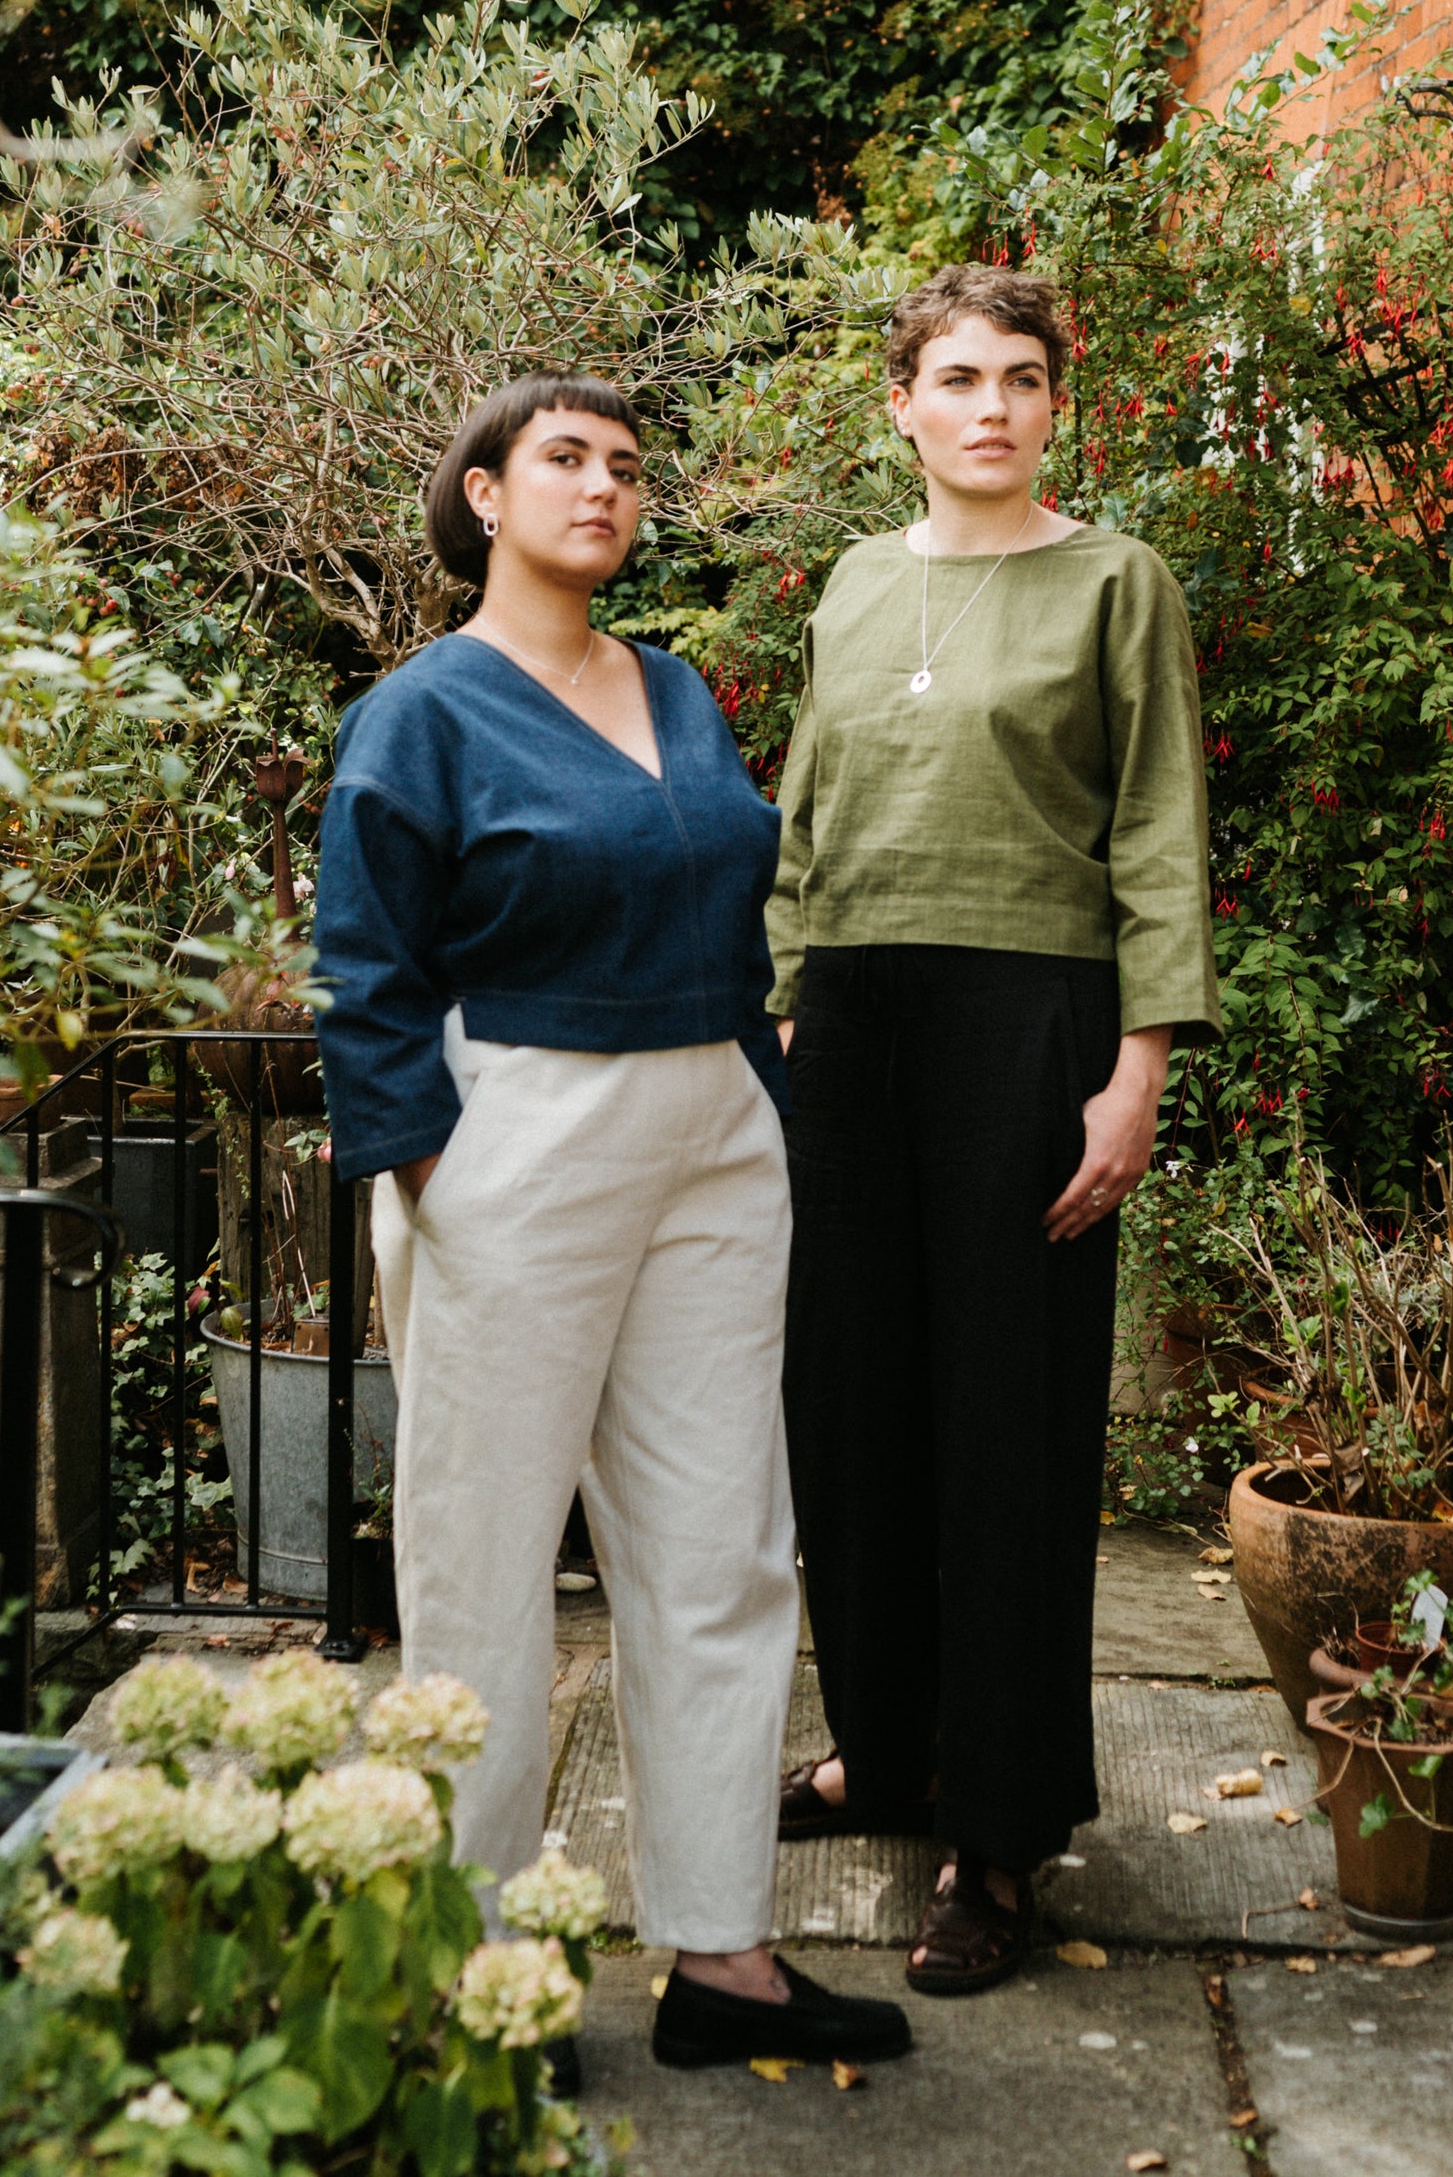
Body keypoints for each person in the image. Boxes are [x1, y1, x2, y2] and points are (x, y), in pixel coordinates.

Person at [314, 374, 911, 2079]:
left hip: (713, 1136)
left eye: (626, 466)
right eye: (562, 459)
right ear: (485, 496)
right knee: (484, 1562)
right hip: (525, 1133)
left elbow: (740, 892)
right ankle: (470, 1971)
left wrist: (759, 1090)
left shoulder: (674, 689)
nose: (602, 485)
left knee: (723, 1547)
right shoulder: (421, 713)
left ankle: (720, 1952)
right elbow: (364, 969)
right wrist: (435, 1170)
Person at [768, 266, 1220, 1995]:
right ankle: (880, 1753)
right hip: (853, 1029)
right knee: (852, 1400)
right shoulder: (854, 583)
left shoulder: (1116, 583)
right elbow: (806, 813)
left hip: (1032, 1028)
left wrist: (1135, 1064)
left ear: (1051, 405)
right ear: (900, 403)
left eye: (1020, 378)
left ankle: (998, 1830)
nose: (989, 406)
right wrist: (794, 994)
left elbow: (1158, 830)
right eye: (955, 376)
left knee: (1006, 1422)